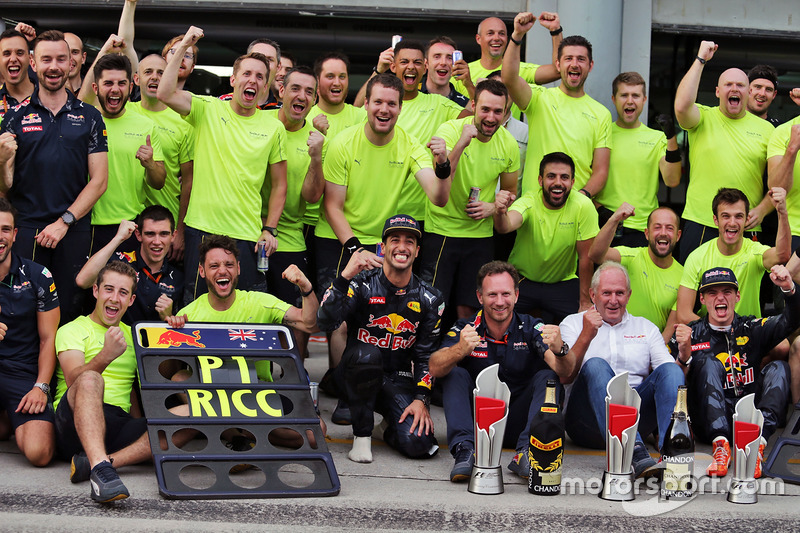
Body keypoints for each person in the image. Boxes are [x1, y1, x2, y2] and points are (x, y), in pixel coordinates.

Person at [313, 73, 451, 375]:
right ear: (366, 104)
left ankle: (376, 385)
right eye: (378, 102)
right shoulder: (342, 143)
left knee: (377, 317)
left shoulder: (411, 145)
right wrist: (354, 249)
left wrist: (443, 164)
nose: (384, 109)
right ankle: (341, 388)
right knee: (340, 319)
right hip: (339, 238)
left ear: (401, 108)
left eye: (391, 103)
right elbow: (332, 206)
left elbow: (438, 197)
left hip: (380, 242)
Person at [157, 26, 287, 303]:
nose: (252, 80)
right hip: (201, 231)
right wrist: (183, 46)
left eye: (260, 77)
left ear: (266, 86)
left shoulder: (274, 127)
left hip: (246, 236)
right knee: (196, 311)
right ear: (233, 79)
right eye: (247, 74)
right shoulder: (207, 108)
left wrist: (270, 228)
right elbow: (165, 93)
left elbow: (280, 185)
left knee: (245, 314)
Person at [166, 234, 322, 447]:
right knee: (180, 378)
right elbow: (170, 367)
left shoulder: (260, 302)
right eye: (214, 265)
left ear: (238, 268)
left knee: (317, 432)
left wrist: (306, 287)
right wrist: (172, 327)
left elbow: (310, 324)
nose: (222, 270)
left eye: (229, 264)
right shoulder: (188, 313)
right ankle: (236, 432)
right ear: (202, 271)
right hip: (214, 396)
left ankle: (243, 433)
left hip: (259, 394)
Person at [430, 261, 574, 481]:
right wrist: (460, 349)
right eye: (492, 294)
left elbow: (563, 371)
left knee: (548, 378)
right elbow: (434, 367)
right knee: (453, 372)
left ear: (516, 295)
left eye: (506, 294)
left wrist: (561, 349)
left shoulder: (531, 327)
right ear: (480, 297)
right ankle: (465, 451)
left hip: (519, 423)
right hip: (479, 428)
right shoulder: (467, 327)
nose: (499, 302)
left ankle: (527, 453)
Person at [0, 30, 108, 323]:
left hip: (73, 229)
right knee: (24, 312)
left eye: (61, 58)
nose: (54, 66)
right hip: (27, 228)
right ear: (33, 64)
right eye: (46, 59)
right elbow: (4, 188)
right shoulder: (14, 117)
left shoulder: (90, 116)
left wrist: (64, 223)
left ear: (72, 63)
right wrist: (1, 161)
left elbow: (99, 181)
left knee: (71, 310)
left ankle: (66, 370)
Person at [317, 214, 444, 464]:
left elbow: (426, 354)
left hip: (397, 379)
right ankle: (361, 438)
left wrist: (421, 400)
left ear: (417, 251)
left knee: (419, 443)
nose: (402, 247)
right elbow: (326, 322)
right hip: (353, 371)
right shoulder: (361, 283)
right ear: (383, 248)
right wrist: (344, 277)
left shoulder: (431, 298)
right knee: (368, 354)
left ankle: (385, 428)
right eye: (395, 240)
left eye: (409, 242)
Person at [560, 261, 686, 477]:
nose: (613, 300)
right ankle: (636, 453)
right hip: (586, 422)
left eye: (620, 293)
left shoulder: (646, 327)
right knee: (596, 365)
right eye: (606, 293)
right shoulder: (572, 324)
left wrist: (683, 358)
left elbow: (669, 379)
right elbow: (565, 375)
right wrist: (586, 335)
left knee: (672, 370)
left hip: (636, 417)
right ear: (592, 294)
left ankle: (672, 457)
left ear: (628, 295)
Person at [670, 266, 796, 478]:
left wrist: (789, 289)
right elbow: (671, 383)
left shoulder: (751, 327)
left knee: (779, 368)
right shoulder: (690, 333)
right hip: (706, 422)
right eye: (712, 292)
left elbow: (791, 321)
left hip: (747, 420)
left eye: (727, 292)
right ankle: (720, 446)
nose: (720, 298)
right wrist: (684, 355)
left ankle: (757, 445)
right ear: (702, 298)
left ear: (737, 296)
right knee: (709, 363)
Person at [54, 262, 154, 502]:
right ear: (96, 291)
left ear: (131, 300)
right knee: (90, 378)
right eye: (109, 289)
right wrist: (105, 356)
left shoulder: (133, 335)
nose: (114, 298)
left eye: (123, 292)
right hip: (73, 421)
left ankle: (102, 462)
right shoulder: (73, 329)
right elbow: (72, 380)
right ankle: (101, 471)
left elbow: (132, 388)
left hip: (117, 424)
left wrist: (171, 323)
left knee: (188, 413)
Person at [420, 79, 519, 319]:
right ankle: (428, 357)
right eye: (485, 109)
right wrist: (462, 143)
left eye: (498, 111)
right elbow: (440, 179)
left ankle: (464, 355)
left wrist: (494, 206)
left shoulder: (508, 144)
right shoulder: (450, 131)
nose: (491, 117)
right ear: (473, 105)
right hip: (441, 230)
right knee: (433, 305)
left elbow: (510, 193)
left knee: (470, 307)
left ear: (506, 113)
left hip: (479, 235)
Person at [674, 41, 775, 260]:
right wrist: (701, 59)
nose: (734, 89)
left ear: (748, 92)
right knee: (693, 291)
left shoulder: (768, 130)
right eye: (728, 84)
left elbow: (780, 180)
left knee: (743, 293)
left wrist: (764, 209)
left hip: (745, 226)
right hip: (701, 222)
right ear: (718, 91)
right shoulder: (702, 117)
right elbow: (681, 106)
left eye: (740, 85)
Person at [355, 39, 466, 222]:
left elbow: (480, 118)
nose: (411, 67)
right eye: (404, 62)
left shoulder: (439, 104)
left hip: (421, 215)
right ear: (393, 66)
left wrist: (468, 84)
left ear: (425, 68)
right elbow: (357, 107)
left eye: (417, 62)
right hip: (379, 213)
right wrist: (377, 71)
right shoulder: (379, 108)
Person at [502, 12, 611, 198]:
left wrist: (581, 199)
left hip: (576, 208)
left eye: (581, 59)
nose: (574, 64)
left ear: (590, 65)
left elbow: (601, 171)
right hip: (534, 206)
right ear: (558, 65)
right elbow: (509, 78)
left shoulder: (602, 114)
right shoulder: (538, 98)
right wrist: (517, 35)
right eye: (568, 59)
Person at [494, 152, 598, 323]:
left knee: (583, 324)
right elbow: (505, 226)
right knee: (494, 318)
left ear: (572, 182)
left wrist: (585, 302)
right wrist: (500, 212)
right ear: (540, 181)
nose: (558, 182)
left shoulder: (583, 206)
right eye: (551, 176)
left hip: (562, 281)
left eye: (564, 177)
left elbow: (586, 258)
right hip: (523, 279)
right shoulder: (529, 201)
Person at [265, 65, 326, 357]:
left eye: (309, 92)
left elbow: (312, 196)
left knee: (297, 316)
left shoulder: (315, 138)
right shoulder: (261, 122)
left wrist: (316, 158)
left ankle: (297, 377)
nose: (302, 96)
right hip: (245, 232)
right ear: (281, 91)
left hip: (289, 237)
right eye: (295, 89)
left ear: (314, 101)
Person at [80, 50, 166, 254]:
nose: (115, 89)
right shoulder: (83, 121)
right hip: (84, 224)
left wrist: (150, 164)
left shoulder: (146, 125)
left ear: (130, 86)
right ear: (96, 87)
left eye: (121, 83)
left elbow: (159, 182)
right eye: (108, 83)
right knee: (84, 285)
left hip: (128, 227)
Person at [0, 198, 59, 467]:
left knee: (40, 453)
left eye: (4, 229)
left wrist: (41, 387)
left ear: (14, 234)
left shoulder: (38, 275)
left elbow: (49, 339)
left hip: (22, 373)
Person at [677, 187, 790, 324]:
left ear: (746, 220)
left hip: (749, 333)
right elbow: (683, 314)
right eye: (725, 216)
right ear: (716, 220)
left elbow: (782, 255)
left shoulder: (754, 251)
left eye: (738, 216)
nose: (732, 222)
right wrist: (724, 330)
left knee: (784, 346)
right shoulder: (697, 257)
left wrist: (782, 212)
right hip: (712, 334)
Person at [595, 72, 681, 246]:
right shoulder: (600, 134)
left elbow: (672, 180)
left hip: (644, 229)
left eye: (635, 95)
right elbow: (585, 177)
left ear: (644, 99)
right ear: (613, 98)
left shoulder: (657, 138)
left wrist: (671, 137)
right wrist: (599, 209)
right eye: (624, 95)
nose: (629, 101)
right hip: (606, 226)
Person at [130, 53, 194, 260]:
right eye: (148, 72)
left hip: (167, 227)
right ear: (136, 79)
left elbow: (189, 181)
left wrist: (181, 232)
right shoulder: (123, 112)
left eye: (161, 73)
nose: (155, 77)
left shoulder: (183, 121)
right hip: (129, 222)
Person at [589, 204, 683, 343]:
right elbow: (595, 255)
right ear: (646, 233)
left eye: (669, 228)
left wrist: (655, 354)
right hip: (615, 340)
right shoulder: (631, 257)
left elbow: (671, 327)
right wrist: (614, 220)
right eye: (657, 227)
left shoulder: (683, 275)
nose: (663, 233)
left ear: (678, 235)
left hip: (652, 345)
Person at [76, 205, 184, 324]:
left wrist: (168, 317)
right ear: (138, 235)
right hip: (114, 339)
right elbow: (82, 281)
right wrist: (118, 238)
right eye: (150, 234)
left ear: (173, 236)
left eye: (163, 234)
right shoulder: (119, 262)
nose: (157, 242)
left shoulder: (179, 278)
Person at [452, 14, 561, 105]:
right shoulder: (462, 73)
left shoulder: (518, 69)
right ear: (478, 39)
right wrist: (469, 84)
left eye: (502, 33)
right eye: (490, 33)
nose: (496, 38)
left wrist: (555, 30)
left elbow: (557, 70)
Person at [219, 38, 282, 110]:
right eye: (257, 57)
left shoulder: (283, 113)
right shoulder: (219, 104)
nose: (263, 64)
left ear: (278, 67)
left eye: (269, 59)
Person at [419, 36, 469, 107]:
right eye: (437, 57)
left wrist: (469, 85)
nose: (443, 62)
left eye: (449, 58)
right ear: (426, 64)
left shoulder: (465, 104)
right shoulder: (410, 96)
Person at [0, 27, 36, 121]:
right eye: (7, 53)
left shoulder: (48, 97)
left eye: (19, 53)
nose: (13, 59)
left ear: (30, 59)